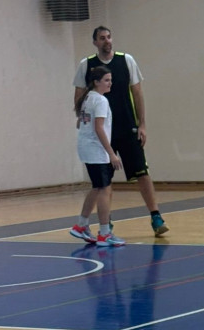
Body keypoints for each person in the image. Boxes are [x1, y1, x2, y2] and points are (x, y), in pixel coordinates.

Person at [73, 26, 168, 238]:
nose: (106, 41)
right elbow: (78, 96)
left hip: (127, 126)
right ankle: (106, 223)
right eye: (102, 38)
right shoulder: (86, 65)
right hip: (102, 132)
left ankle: (156, 216)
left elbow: (138, 93)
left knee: (141, 172)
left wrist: (142, 124)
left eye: (109, 37)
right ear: (95, 42)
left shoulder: (126, 60)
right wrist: (81, 118)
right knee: (103, 181)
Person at [70, 66, 125, 247]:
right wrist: (112, 154)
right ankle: (104, 233)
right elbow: (99, 128)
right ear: (96, 82)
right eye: (107, 80)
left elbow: (80, 123)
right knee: (104, 189)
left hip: (86, 147)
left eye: (111, 80)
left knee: (97, 187)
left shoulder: (87, 98)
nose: (110, 83)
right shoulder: (100, 100)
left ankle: (81, 225)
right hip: (95, 149)